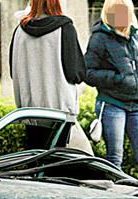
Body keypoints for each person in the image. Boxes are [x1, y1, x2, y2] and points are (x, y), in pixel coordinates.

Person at [84, 0, 138, 191]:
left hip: (136, 106)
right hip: (112, 104)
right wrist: (117, 79)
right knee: (114, 160)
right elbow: (88, 73)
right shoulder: (99, 38)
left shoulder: (136, 37)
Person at [9, 0, 92, 154]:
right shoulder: (65, 29)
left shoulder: (19, 31)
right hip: (59, 111)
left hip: (30, 112)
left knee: (36, 160)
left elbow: (13, 73)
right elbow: (76, 73)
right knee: (56, 164)